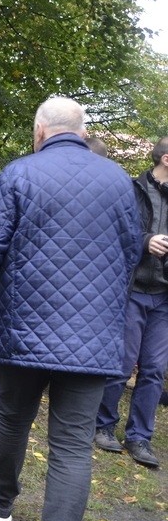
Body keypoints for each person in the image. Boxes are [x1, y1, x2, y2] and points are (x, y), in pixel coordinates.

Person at [0, 97, 141, 521]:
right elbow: (131, 254)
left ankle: (2, 496)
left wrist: (12, 283)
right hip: (94, 335)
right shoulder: (120, 180)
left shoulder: (20, 172)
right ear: (81, 132)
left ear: (40, 130)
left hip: (25, 325)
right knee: (72, 443)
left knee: (13, 417)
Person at [93, 135, 168, 469]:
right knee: (122, 364)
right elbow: (117, 235)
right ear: (166, 159)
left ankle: (139, 437)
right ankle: (103, 426)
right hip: (132, 290)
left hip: (164, 297)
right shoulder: (132, 189)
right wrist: (146, 241)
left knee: (153, 369)